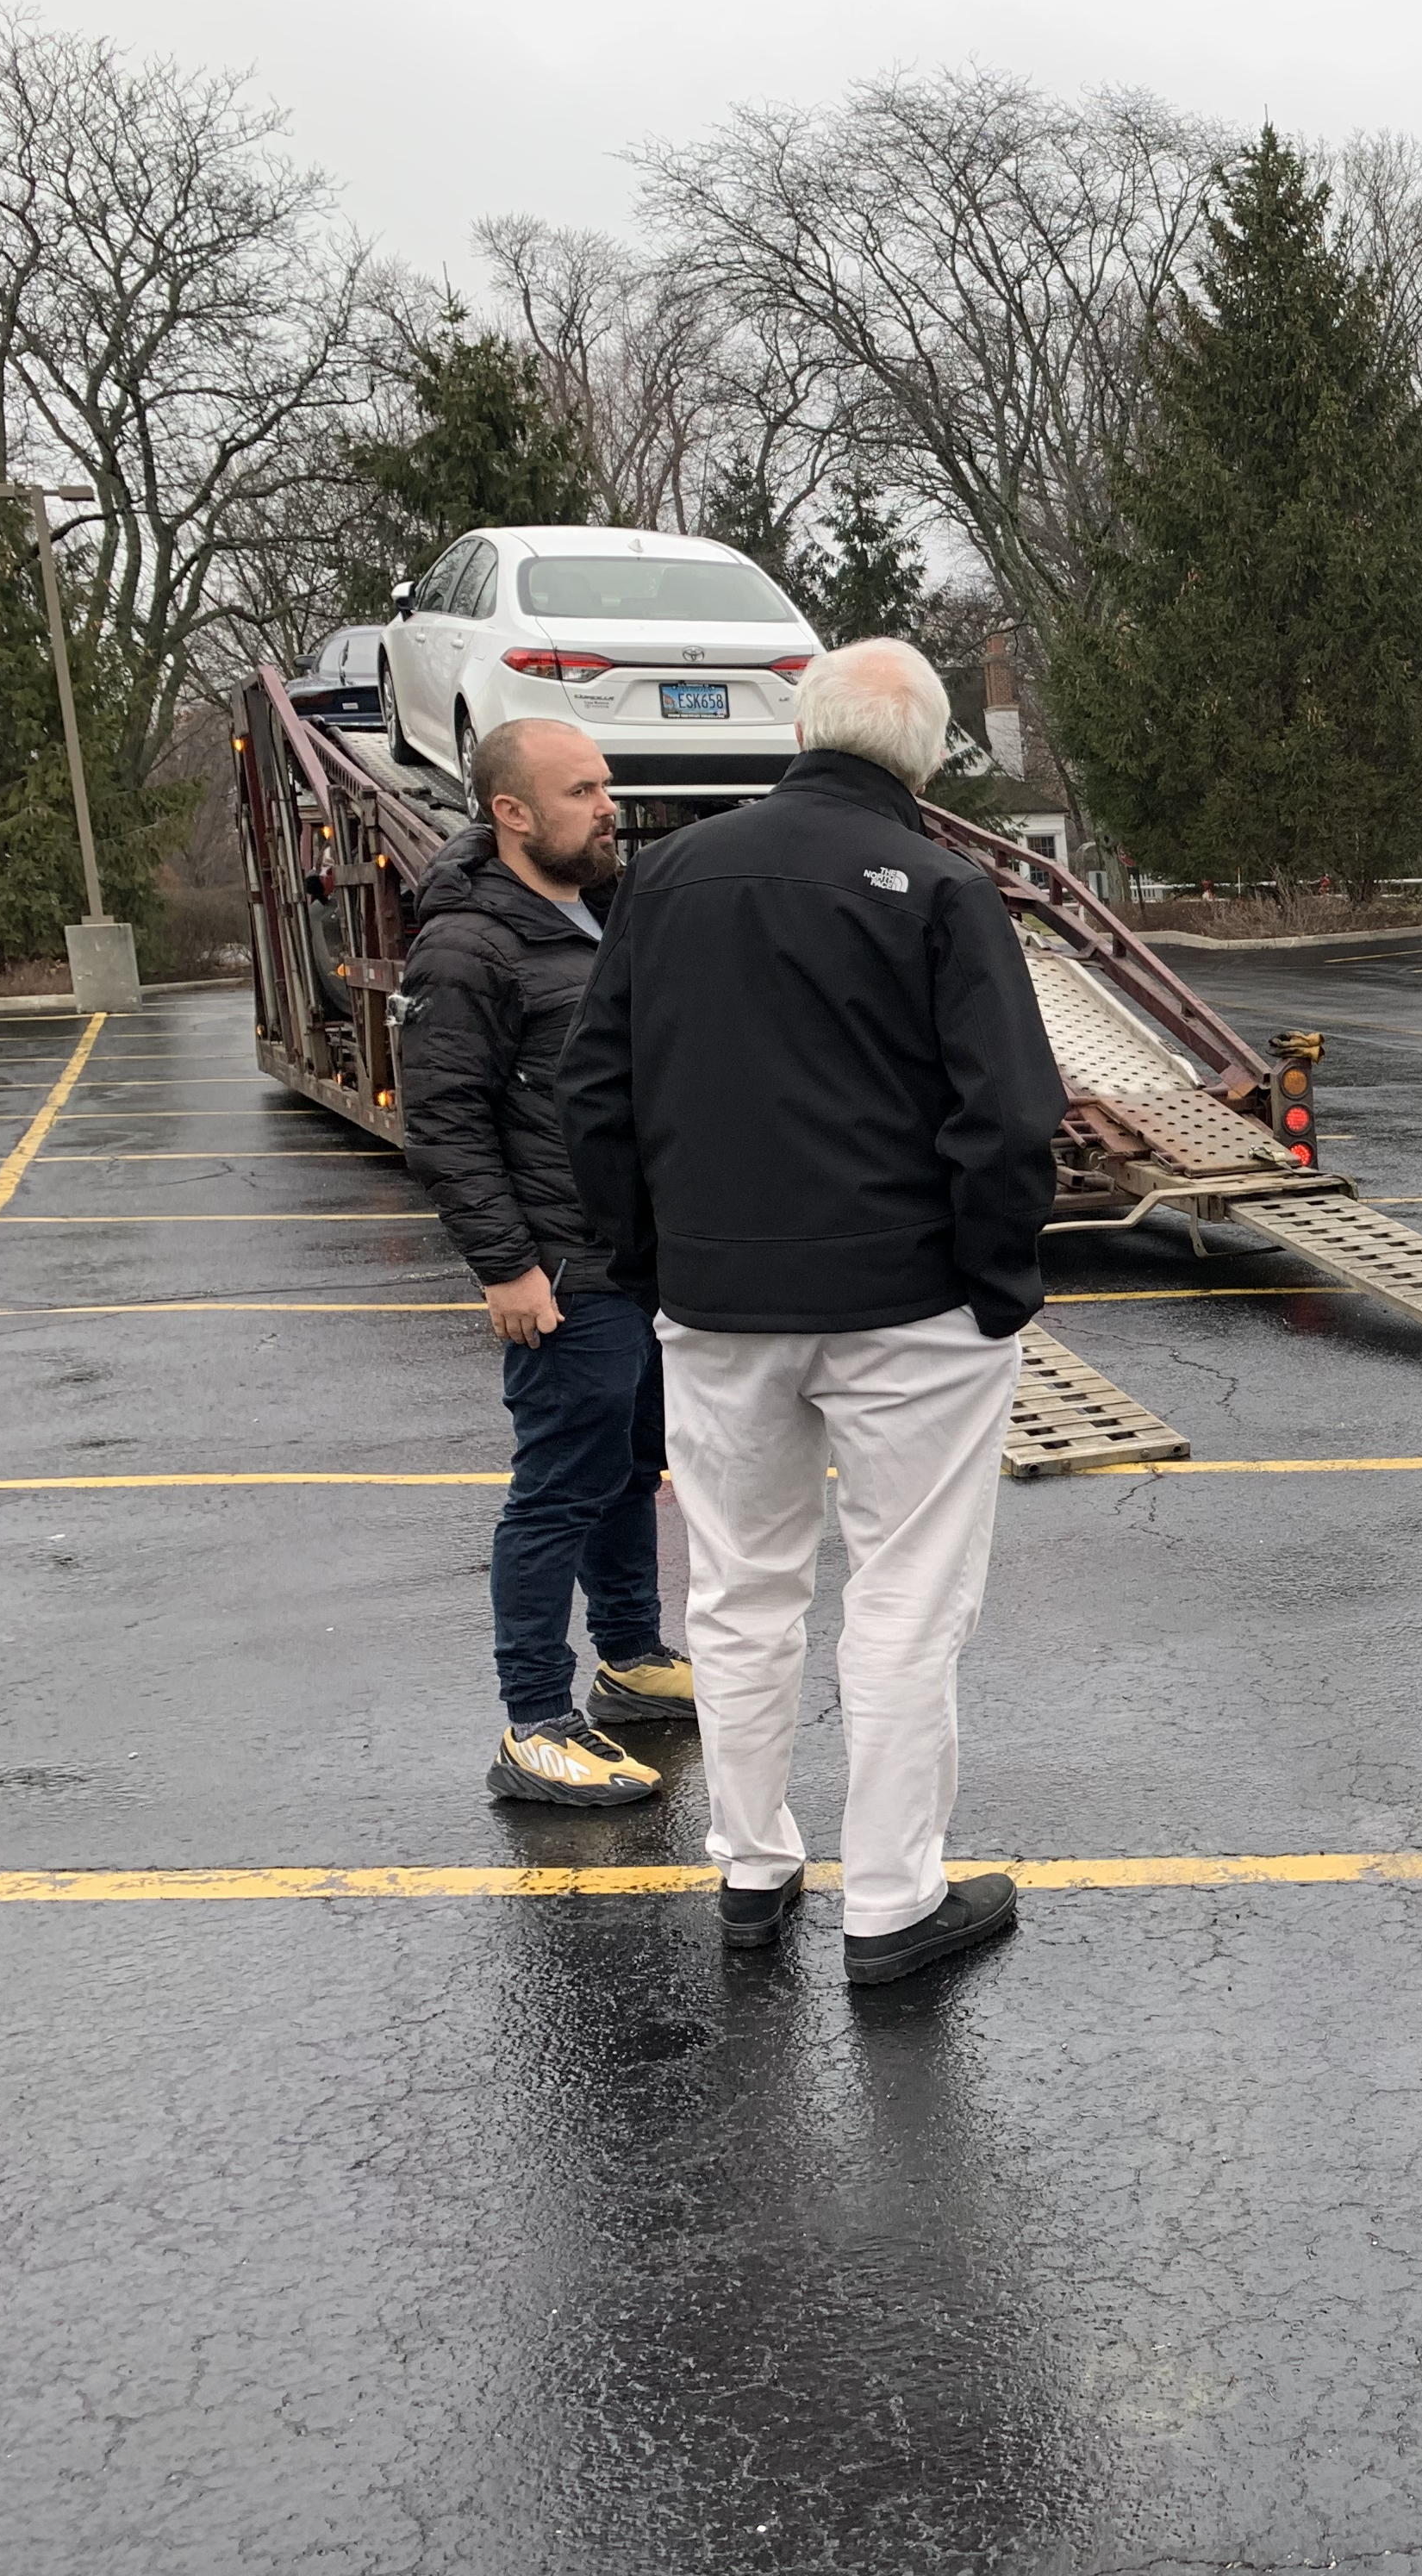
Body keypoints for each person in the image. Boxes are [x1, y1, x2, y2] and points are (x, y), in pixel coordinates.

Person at [559, 639, 1064, 1985]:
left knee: (738, 1590)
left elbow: (594, 1097)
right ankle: (892, 1900)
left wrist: (650, 1259)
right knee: (905, 1596)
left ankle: (751, 1864)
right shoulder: (945, 889)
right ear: (930, 754)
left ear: (803, 727)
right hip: (912, 1305)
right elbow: (1010, 1117)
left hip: (720, 1302)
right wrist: (995, 1280)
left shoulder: (663, 881)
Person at [400, 717, 695, 1807]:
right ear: (511, 812)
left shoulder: (607, 911)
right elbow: (445, 1122)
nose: (608, 806)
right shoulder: (469, 946)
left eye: (606, 786)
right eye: (582, 791)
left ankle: (630, 1656)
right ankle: (533, 1723)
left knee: (629, 1469)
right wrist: (506, 1267)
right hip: (561, 1271)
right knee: (556, 1492)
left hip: (637, 1258)